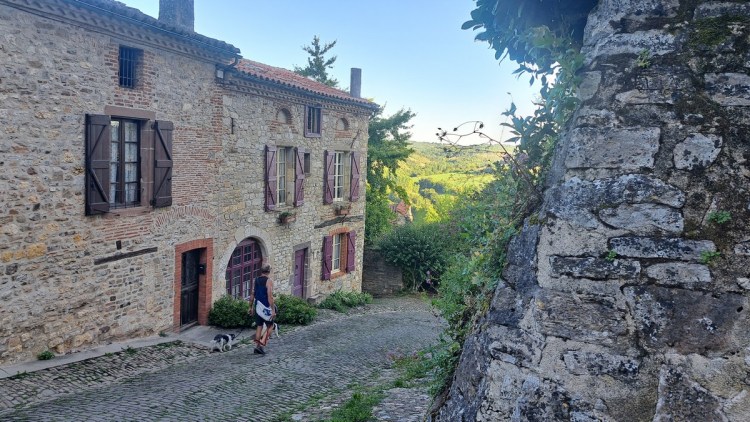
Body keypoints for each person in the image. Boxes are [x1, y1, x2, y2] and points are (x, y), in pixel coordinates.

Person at [248, 264, 275, 355]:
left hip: (258, 306)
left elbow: (252, 294)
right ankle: (262, 345)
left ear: (261, 271)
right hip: (266, 307)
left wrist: (250, 307)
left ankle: (257, 347)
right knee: (270, 326)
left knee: (259, 326)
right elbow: (270, 296)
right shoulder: (269, 281)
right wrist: (273, 310)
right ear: (269, 272)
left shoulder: (256, 280)